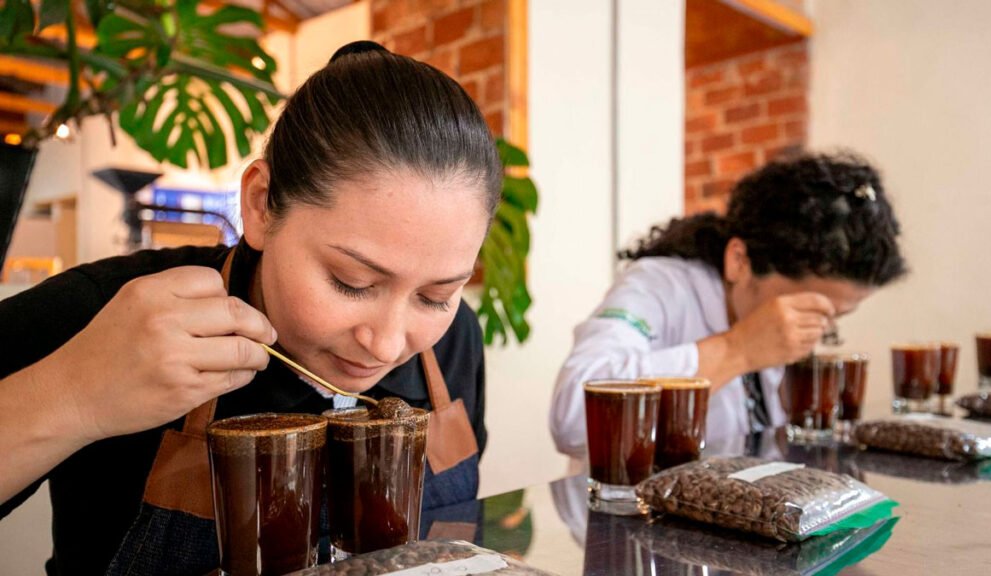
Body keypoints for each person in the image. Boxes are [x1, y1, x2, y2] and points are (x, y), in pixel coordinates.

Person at [0, 41, 501, 575]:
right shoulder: (113, 312)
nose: (385, 343)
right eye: (351, 282)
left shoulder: (453, 342)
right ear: (261, 204)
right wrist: (73, 395)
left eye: (435, 296)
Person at [550, 152, 907, 456]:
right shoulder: (658, 285)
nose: (818, 328)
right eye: (806, 309)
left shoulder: (762, 310)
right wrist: (738, 349)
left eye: (835, 317)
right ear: (740, 259)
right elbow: (570, 420)